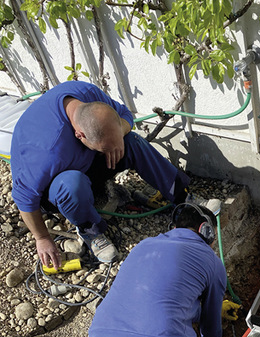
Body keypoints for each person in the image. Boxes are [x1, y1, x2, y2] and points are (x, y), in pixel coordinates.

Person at [11, 80, 191, 266]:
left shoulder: (88, 95)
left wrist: (119, 135)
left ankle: (183, 198)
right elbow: (23, 197)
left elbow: (125, 115)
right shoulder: (47, 152)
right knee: (72, 183)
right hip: (57, 187)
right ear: (79, 135)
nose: (114, 151)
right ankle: (90, 231)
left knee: (132, 141)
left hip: (84, 161)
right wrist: (41, 238)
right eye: (106, 149)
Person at [88, 203, 225, 337]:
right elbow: (210, 327)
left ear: (173, 228)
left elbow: (158, 299)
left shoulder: (143, 246)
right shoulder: (211, 261)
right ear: (207, 231)